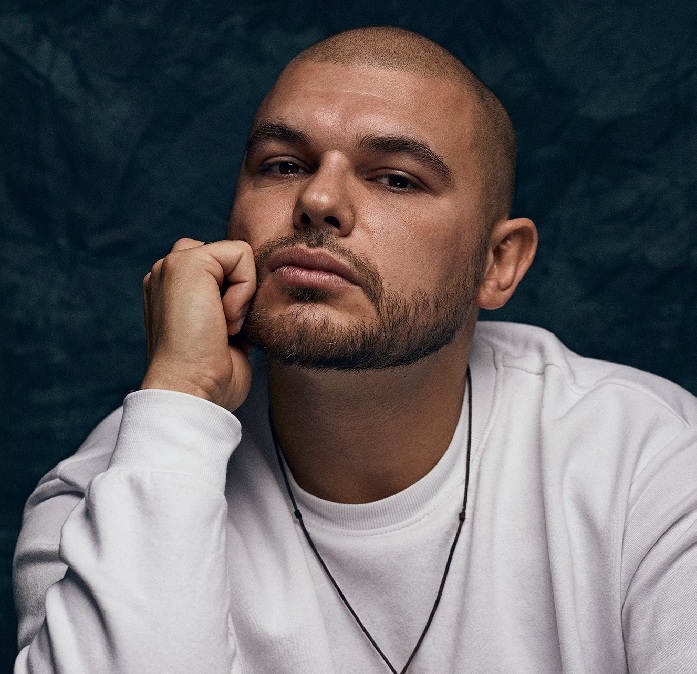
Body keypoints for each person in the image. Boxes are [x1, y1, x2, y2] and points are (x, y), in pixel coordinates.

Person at [12, 25, 697, 674]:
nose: (317, 198)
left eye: (396, 178)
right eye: (282, 165)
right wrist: (181, 396)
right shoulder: (114, 488)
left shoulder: (651, 462)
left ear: (498, 263)